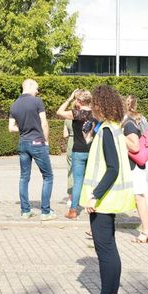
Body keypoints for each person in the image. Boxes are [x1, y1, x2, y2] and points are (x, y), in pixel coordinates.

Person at [77, 85, 135, 294]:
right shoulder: (111, 128)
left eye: (95, 105)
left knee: (105, 250)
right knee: (109, 248)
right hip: (108, 199)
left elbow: (112, 169)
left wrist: (95, 195)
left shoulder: (108, 131)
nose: (91, 109)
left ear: (101, 106)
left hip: (103, 200)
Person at [10, 79, 55, 220]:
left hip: (23, 143)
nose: (37, 91)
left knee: (24, 177)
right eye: (36, 88)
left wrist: (24, 128)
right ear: (29, 86)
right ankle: (46, 211)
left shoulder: (14, 105)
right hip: (37, 142)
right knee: (48, 176)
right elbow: (44, 123)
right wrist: (46, 141)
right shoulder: (37, 101)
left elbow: (11, 128)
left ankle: (25, 210)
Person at [122, 95, 148, 243]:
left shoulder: (128, 124)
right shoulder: (126, 122)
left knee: (139, 197)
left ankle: (147, 231)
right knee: (138, 197)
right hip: (132, 166)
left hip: (135, 166)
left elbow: (135, 146)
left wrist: (119, 136)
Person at [55, 89, 93, 219]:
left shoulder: (76, 114)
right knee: (92, 179)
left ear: (80, 101)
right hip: (92, 150)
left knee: (77, 181)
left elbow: (59, 112)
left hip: (78, 150)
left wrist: (69, 98)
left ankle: (73, 210)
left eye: (77, 99)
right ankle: (93, 206)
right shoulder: (96, 114)